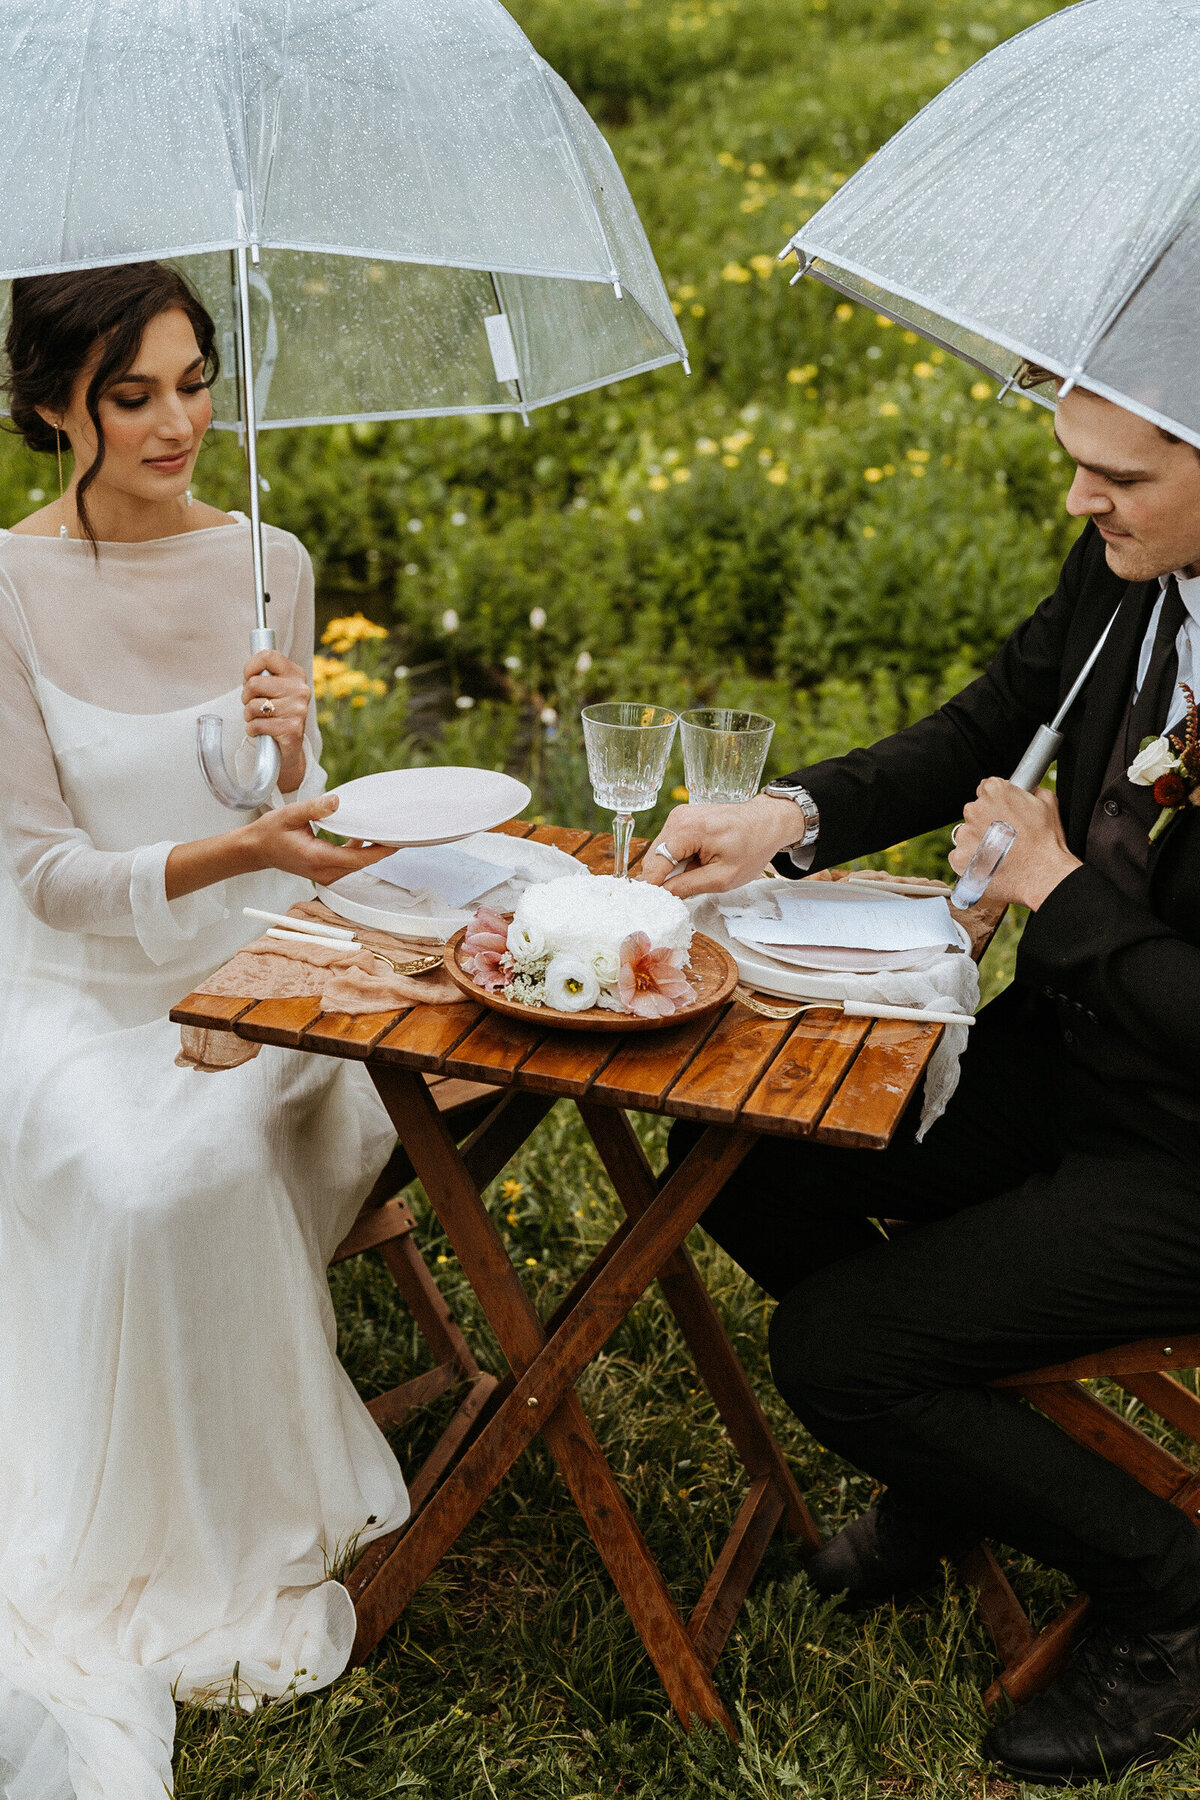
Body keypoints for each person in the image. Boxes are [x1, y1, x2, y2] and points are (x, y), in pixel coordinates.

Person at [642, 375, 1200, 1785]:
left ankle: (1168, 1594)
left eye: (1119, 478)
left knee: (838, 1353)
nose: (1083, 500)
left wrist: (1058, 887)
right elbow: (980, 726)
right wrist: (789, 818)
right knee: (743, 1156)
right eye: (1078, 467)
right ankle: (962, 1457)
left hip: (1187, 1157)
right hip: (1073, 1058)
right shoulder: (1131, 570)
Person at [0, 262, 410, 1800]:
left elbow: (279, 812)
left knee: (207, 1167)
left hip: (262, 972)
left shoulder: (267, 557)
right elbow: (40, 878)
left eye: (192, 382)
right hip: (77, 990)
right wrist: (246, 848)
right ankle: (137, 1532)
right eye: (132, 395)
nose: (178, 422)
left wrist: (288, 747)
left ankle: (237, 1499)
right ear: (54, 408)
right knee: (130, 1178)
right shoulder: (8, 586)